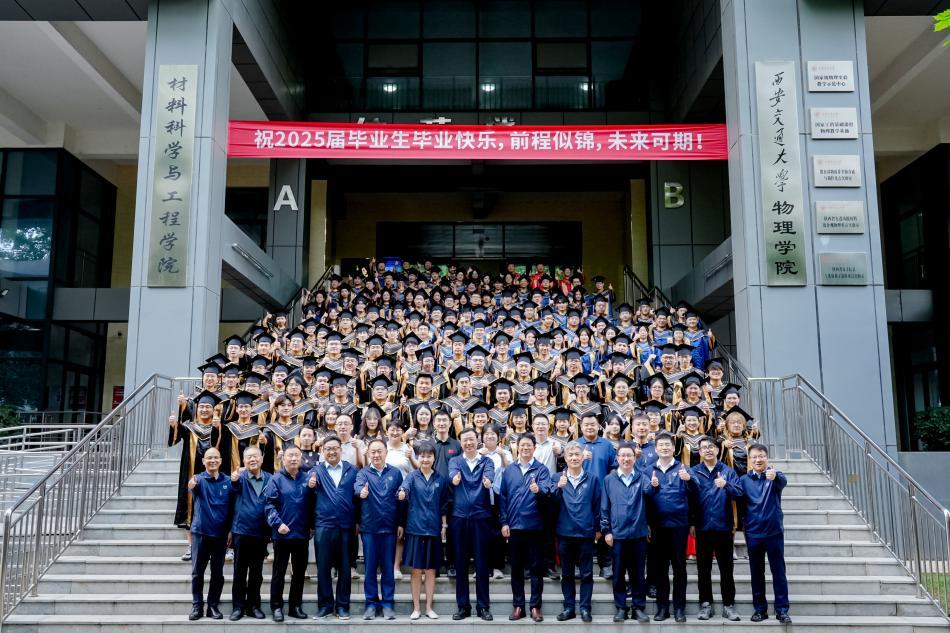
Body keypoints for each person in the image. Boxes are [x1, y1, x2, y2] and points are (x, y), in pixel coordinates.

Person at [688, 435, 743, 621]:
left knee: (726, 569)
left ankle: (729, 605)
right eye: (704, 447)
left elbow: (740, 493)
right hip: (702, 527)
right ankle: (706, 604)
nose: (708, 450)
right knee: (703, 570)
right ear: (700, 452)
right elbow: (690, 499)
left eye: (711, 447)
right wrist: (692, 523)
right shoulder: (694, 472)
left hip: (723, 527)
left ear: (718, 450)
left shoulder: (728, 471)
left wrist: (726, 485)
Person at [498, 433, 553, 622]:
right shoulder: (510, 470)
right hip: (514, 527)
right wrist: (504, 522)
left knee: (536, 569)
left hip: (535, 526)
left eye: (529, 445)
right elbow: (503, 498)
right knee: (516, 569)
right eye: (523, 445)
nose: (526, 448)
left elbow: (548, 492)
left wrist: (539, 490)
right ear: (517, 447)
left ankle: (536, 607)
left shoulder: (541, 469)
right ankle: (518, 606)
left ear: (534, 448)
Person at [601, 441, 655, 623]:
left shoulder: (642, 477)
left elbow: (650, 495)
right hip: (617, 535)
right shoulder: (609, 479)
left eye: (629, 455)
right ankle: (621, 607)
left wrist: (654, 485)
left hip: (638, 534)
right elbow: (604, 507)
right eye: (622, 455)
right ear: (617, 458)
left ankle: (638, 607)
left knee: (638, 573)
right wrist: (606, 530)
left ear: (634, 458)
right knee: (618, 574)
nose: (626, 459)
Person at [447, 427, 496, 621]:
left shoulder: (486, 461)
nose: (468, 443)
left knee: (482, 563)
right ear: (461, 442)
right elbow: (452, 476)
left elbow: (490, 475)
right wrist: (455, 479)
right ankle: (463, 607)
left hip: (481, 517)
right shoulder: (455, 461)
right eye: (465, 440)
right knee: (460, 563)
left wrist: (488, 480)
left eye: (471, 439)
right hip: (459, 517)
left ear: (478, 441)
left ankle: (483, 607)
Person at [398, 441, 450, 620]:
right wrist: (402, 492)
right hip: (415, 529)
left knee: (431, 570)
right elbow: (403, 489)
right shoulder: (412, 477)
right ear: (417, 457)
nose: (425, 459)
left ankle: (428, 608)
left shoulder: (441, 479)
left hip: (433, 530)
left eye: (429, 456)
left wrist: (444, 525)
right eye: (422, 456)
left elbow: (444, 505)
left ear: (434, 458)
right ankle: (416, 609)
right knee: (416, 570)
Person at [309, 435, 359, 620]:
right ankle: (325, 606)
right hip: (324, 525)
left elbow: (357, 498)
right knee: (323, 568)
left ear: (341, 450)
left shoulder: (352, 470)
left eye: (335, 448)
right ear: (323, 451)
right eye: (328, 449)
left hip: (346, 526)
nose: (331, 452)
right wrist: (310, 484)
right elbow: (308, 493)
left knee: (345, 568)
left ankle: (343, 606)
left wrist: (358, 521)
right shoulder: (316, 471)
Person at [169, 390, 222, 562]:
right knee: (190, 507)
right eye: (202, 407)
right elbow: (174, 439)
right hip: (191, 473)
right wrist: (174, 426)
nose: (205, 410)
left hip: (214, 475)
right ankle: (191, 546)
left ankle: (213, 547)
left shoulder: (218, 427)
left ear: (214, 410)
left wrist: (218, 429)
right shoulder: (189, 427)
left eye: (208, 407)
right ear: (197, 409)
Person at [741, 443, 791, 623]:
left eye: (761, 456)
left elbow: (782, 482)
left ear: (767, 457)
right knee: (756, 573)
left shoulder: (775, 475)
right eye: (754, 457)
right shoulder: (744, 480)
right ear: (749, 459)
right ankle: (760, 609)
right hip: (753, 533)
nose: (758, 459)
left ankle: (782, 610)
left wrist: (775, 476)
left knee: (779, 572)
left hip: (773, 532)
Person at [355, 438, 404, 620]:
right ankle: (371, 604)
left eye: (379, 451)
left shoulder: (395, 473)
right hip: (369, 528)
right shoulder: (363, 473)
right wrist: (361, 492)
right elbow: (357, 489)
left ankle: (388, 604)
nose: (376, 455)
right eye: (373, 452)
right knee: (369, 569)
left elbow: (401, 500)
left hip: (390, 528)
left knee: (388, 569)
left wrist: (401, 523)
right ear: (368, 454)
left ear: (386, 452)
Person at [553, 441, 601, 623]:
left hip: (585, 533)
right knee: (567, 574)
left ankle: (585, 608)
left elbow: (597, 505)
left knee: (587, 574)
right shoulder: (557, 478)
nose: (574, 458)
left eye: (577, 455)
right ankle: (569, 608)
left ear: (583, 457)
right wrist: (558, 488)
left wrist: (598, 528)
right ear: (565, 458)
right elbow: (550, 505)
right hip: (564, 533)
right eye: (570, 455)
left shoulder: (593, 479)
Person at [263, 445, 313, 622]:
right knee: (279, 572)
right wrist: (278, 524)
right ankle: (276, 606)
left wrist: (311, 526)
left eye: (296, 456)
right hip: (282, 534)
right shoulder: (275, 480)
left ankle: (295, 606)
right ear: (283, 458)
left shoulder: (307, 479)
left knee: (299, 573)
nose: (293, 459)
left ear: (301, 458)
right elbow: (269, 505)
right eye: (290, 455)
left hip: (302, 534)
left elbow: (313, 504)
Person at [646, 431, 691, 622]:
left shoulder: (684, 468)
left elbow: (694, 495)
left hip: (679, 525)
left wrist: (689, 480)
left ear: (674, 448)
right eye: (661, 445)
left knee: (679, 567)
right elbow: (644, 498)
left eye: (668, 445)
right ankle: (662, 607)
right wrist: (647, 523)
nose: (665, 448)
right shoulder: (648, 470)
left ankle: (679, 607)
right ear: (656, 449)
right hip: (657, 526)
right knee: (660, 568)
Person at [186, 447, 230, 621]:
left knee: (217, 573)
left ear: (220, 460)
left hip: (220, 534)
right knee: (197, 572)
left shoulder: (228, 481)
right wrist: (191, 485)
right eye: (209, 458)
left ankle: (213, 606)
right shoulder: (198, 480)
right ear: (203, 461)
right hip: (201, 533)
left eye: (216, 458)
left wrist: (230, 531)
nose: (212, 461)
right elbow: (192, 487)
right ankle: (197, 606)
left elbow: (232, 508)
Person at [228, 446, 271, 621]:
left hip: (261, 533)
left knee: (256, 573)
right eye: (249, 457)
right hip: (241, 531)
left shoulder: (270, 478)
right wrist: (234, 480)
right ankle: (238, 607)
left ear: (262, 459)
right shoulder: (238, 477)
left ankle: (253, 606)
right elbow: (233, 491)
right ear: (244, 461)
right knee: (239, 572)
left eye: (255, 456)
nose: (252, 459)